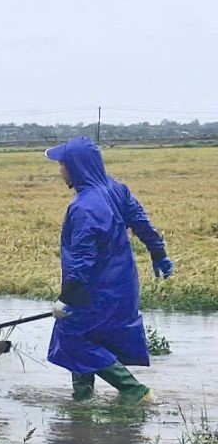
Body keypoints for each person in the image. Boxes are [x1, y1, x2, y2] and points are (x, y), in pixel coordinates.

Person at [45, 136, 172, 404]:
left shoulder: (85, 208)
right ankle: (83, 401)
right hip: (122, 283)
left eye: (62, 165)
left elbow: (82, 261)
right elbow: (142, 223)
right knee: (86, 336)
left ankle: (136, 391)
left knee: (73, 337)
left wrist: (67, 298)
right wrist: (159, 253)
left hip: (95, 289)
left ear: (76, 167)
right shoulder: (117, 190)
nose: (60, 171)